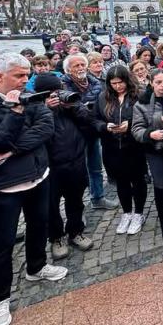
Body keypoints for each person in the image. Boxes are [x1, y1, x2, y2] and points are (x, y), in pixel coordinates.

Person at [0, 54, 67, 325]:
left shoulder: (31, 96)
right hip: (2, 186)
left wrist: (12, 150)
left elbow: (46, 128)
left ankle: (36, 267)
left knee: (40, 225)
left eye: (27, 74)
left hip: (37, 176)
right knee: (2, 244)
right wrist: (14, 113)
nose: (26, 80)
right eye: (20, 76)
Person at [31, 73, 95, 260]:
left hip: (75, 160)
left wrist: (72, 107)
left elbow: (88, 121)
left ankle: (76, 232)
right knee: (51, 205)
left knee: (75, 200)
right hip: (50, 166)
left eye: (57, 90)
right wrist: (46, 110)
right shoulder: (33, 107)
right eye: (50, 92)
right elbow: (34, 132)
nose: (55, 95)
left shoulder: (70, 100)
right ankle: (57, 237)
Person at [94, 66, 146, 236]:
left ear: (127, 80)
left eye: (120, 82)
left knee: (137, 180)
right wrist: (105, 126)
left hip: (134, 146)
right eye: (114, 83)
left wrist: (129, 125)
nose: (118, 86)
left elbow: (147, 117)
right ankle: (127, 212)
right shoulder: (103, 97)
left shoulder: (138, 94)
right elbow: (94, 119)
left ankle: (138, 213)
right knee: (121, 181)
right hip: (112, 146)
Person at [132, 68, 163, 241]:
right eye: (159, 82)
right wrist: (150, 135)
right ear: (151, 83)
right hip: (155, 150)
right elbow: (136, 129)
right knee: (160, 185)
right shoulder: (141, 103)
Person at [62, 54, 116, 211]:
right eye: (76, 66)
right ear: (68, 70)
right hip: (74, 135)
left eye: (82, 65)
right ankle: (79, 208)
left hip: (92, 133)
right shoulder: (63, 86)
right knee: (78, 173)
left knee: (95, 167)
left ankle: (98, 197)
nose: (80, 68)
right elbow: (77, 109)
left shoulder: (96, 83)